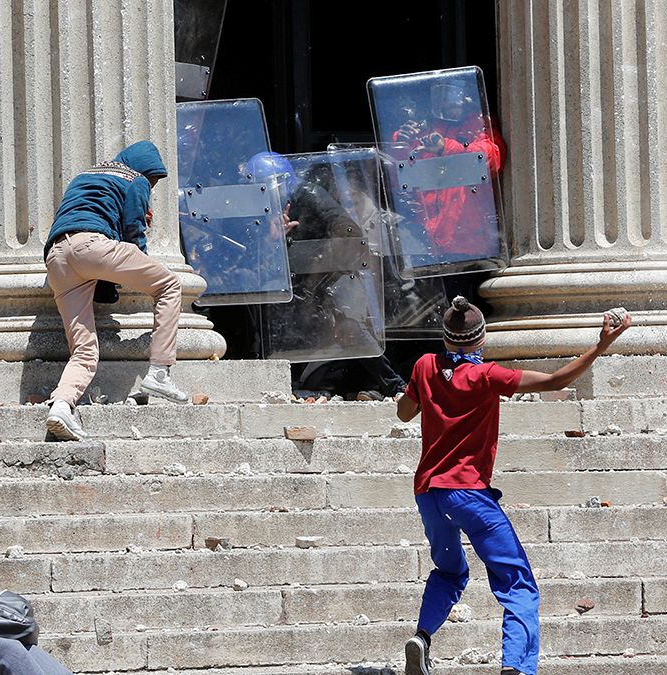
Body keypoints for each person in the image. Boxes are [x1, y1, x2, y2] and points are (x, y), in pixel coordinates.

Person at [396, 296, 631, 675]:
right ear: (481, 339)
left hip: (428, 494)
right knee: (517, 584)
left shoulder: (425, 365)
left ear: (445, 338)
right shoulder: (488, 375)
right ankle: (515, 668)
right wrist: (602, 344)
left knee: (451, 572)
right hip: (469, 493)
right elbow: (556, 380)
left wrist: (429, 389)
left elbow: (404, 413)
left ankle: (422, 638)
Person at [43, 141, 189, 442]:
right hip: (92, 247)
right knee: (169, 285)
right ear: (144, 170)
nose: (150, 187)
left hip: (56, 257)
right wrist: (141, 255)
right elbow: (133, 229)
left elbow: (85, 210)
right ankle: (160, 373)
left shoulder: (85, 175)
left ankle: (60, 407)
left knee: (84, 350)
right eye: (152, 181)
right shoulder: (134, 178)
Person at [248, 150, 408, 399]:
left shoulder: (310, 196)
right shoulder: (265, 209)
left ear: (280, 182)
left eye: (264, 186)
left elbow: (348, 231)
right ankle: (285, 386)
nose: (261, 193)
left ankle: (395, 386)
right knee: (289, 331)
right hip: (297, 282)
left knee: (348, 327)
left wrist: (318, 264)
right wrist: (274, 240)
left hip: (328, 276)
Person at [390, 80, 506, 263]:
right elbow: (400, 182)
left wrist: (446, 147)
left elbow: (490, 158)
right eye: (440, 96)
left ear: (468, 98)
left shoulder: (480, 125)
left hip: (468, 242)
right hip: (425, 243)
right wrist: (401, 146)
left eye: (452, 96)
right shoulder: (426, 129)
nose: (446, 103)